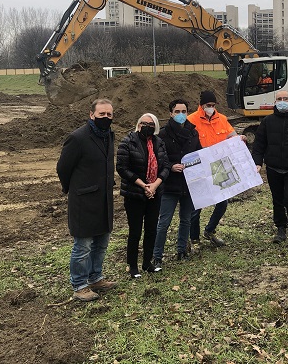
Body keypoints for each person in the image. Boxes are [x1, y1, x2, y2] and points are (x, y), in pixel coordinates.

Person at [57, 98, 118, 302]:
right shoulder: (77, 138)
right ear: (91, 115)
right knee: (82, 246)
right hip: (84, 200)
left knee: (101, 243)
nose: (106, 118)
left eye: (109, 114)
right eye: (102, 114)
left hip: (104, 199)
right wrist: (72, 188)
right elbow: (63, 168)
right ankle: (79, 285)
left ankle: (95, 277)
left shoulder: (108, 136)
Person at [252, 90, 288, 243]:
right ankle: (280, 229)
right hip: (273, 168)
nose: (282, 101)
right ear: (275, 102)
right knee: (277, 200)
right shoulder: (267, 122)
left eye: (285, 99)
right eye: (279, 99)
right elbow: (259, 144)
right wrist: (258, 162)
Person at [187, 90, 245, 247]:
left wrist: (239, 139)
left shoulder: (222, 119)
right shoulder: (191, 120)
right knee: (197, 206)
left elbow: (231, 135)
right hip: (199, 168)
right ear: (201, 105)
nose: (211, 108)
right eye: (208, 105)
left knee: (222, 203)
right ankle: (194, 238)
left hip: (219, 167)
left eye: (213, 105)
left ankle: (210, 230)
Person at [116, 113, 170, 278]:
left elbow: (166, 166)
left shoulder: (159, 143)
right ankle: (133, 266)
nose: (147, 126)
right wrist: (143, 185)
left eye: (151, 124)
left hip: (154, 193)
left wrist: (154, 185)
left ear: (155, 127)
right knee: (135, 231)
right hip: (135, 193)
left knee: (151, 229)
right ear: (138, 124)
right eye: (144, 123)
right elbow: (122, 168)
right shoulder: (128, 142)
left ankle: (147, 263)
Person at [152, 99, 201, 267]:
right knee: (164, 222)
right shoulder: (162, 135)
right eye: (177, 112)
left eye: (184, 111)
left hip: (188, 184)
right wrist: (171, 166)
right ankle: (157, 255)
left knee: (186, 219)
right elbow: (158, 159)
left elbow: (199, 153)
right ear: (170, 114)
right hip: (169, 185)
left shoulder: (193, 133)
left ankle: (182, 251)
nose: (181, 115)